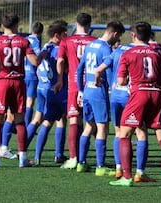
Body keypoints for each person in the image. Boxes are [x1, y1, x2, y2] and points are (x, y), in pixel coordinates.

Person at [108, 21, 161, 188]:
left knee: (124, 134)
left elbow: (121, 80)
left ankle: (127, 177)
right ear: (150, 36)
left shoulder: (128, 53)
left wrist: (127, 78)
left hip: (138, 95)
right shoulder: (157, 53)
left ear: (133, 35)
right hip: (156, 94)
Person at [0, 13, 44, 168]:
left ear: (1, 26)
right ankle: (23, 159)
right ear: (17, 25)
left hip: (1, 83)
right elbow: (35, 62)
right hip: (18, 83)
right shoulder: (23, 41)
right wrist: (43, 54)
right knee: (19, 121)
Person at [76, 20, 125, 176]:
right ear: (114, 33)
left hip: (87, 90)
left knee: (88, 126)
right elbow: (108, 70)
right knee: (102, 128)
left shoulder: (90, 45)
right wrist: (113, 86)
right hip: (98, 92)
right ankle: (100, 166)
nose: (116, 41)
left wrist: (79, 90)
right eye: (118, 38)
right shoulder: (105, 49)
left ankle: (81, 163)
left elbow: (79, 68)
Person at [56, 13, 97, 169]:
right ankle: (84, 159)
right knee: (93, 123)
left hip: (74, 85)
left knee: (74, 120)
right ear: (89, 25)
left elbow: (60, 61)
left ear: (75, 24)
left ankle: (73, 158)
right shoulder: (95, 41)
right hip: (92, 86)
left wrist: (60, 80)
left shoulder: (66, 41)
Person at [0, 21, 44, 159]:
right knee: (27, 105)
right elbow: (35, 60)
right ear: (41, 32)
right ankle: (23, 129)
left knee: (7, 113)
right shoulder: (34, 42)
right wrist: (43, 56)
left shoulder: (22, 39)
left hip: (12, 75)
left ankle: (2, 147)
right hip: (29, 76)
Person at [31, 21, 68, 165]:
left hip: (49, 89)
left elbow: (40, 60)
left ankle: (37, 156)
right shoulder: (60, 49)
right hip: (61, 89)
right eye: (65, 33)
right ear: (57, 35)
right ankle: (61, 155)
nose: (67, 35)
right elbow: (62, 65)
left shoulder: (46, 46)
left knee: (46, 121)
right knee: (68, 121)